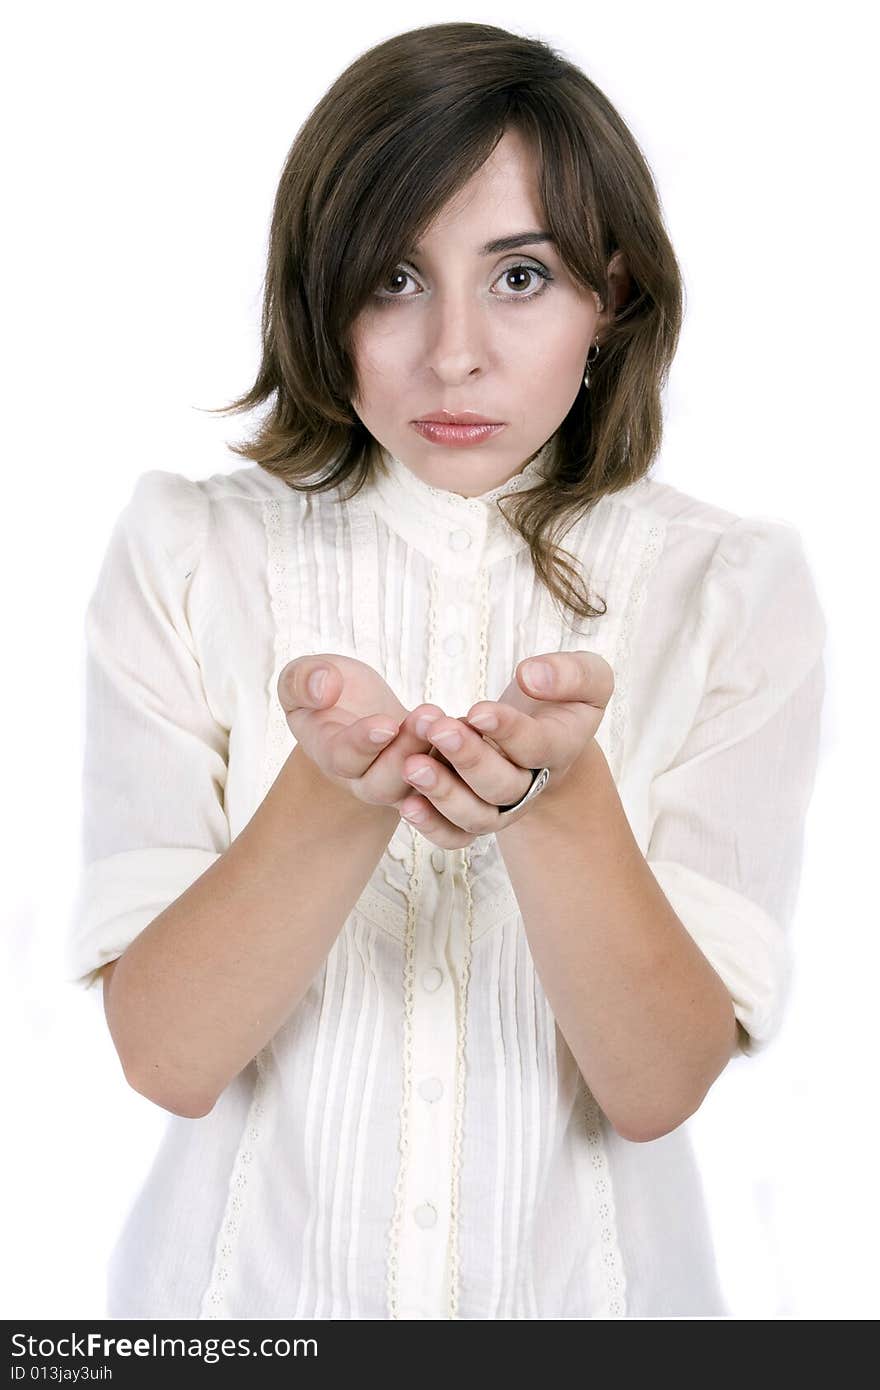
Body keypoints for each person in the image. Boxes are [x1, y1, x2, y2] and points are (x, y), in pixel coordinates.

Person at [64, 21, 827, 1320]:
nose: (455, 352)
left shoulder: (729, 587)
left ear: (614, 295)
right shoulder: (192, 549)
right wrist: (328, 797)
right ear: (319, 295)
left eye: (519, 276)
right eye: (394, 281)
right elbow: (167, 1057)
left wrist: (562, 808)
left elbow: (655, 1087)